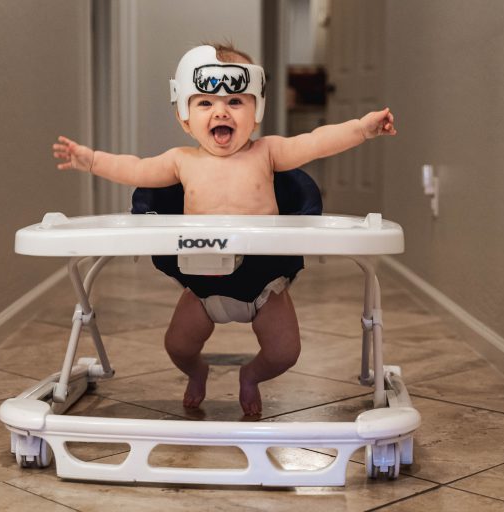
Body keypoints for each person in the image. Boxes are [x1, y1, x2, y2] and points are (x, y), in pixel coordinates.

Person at [53, 43, 396, 416]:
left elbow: (314, 142)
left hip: (264, 284)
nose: (221, 111)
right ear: (185, 116)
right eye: (205, 103)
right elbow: (134, 168)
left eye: (235, 101)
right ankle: (197, 372)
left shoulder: (268, 152)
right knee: (178, 347)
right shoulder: (180, 161)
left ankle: (251, 376)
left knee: (286, 353)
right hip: (201, 284)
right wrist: (90, 160)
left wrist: (361, 129)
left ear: (256, 110)